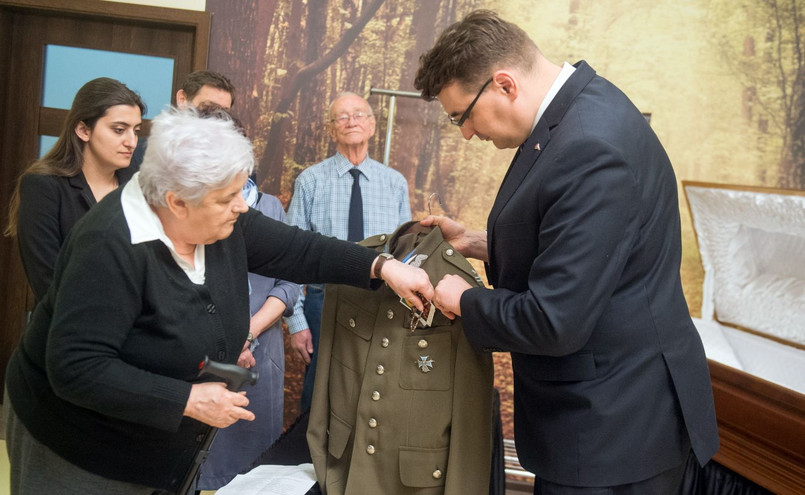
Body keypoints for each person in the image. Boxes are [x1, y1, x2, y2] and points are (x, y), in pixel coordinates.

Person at [4, 106, 433, 495]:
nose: (241, 207)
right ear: (176, 202)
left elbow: (298, 248)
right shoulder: (108, 245)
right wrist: (186, 400)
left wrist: (381, 267)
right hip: (82, 448)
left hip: (161, 448)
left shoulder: (220, 218)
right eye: (228, 198)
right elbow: (77, 367)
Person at [414, 10, 719, 494]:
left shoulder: (590, 147)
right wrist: (479, 243)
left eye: (461, 116)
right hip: (605, 413)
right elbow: (588, 251)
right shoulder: (576, 110)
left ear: (504, 85)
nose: (466, 132)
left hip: (613, 429)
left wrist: (464, 301)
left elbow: (555, 320)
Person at [286, 92, 411, 412]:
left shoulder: (394, 184)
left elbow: (406, 255)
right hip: (324, 301)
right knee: (319, 394)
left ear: (372, 126)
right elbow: (290, 256)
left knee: (375, 392)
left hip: (380, 301)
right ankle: (311, 446)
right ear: (331, 129)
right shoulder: (310, 181)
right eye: (342, 117)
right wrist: (297, 322)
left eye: (359, 115)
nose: (351, 121)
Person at [197, 174, 301, 490]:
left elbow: (289, 282)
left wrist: (248, 334)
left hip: (261, 357)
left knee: (254, 473)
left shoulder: (270, 207)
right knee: (199, 464)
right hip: (205, 353)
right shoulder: (194, 204)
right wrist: (229, 340)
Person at [4, 77, 144, 303]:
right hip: (71, 319)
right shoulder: (42, 187)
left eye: (136, 131)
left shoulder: (139, 184)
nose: (132, 142)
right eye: (119, 130)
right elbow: (47, 283)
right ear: (83, 130)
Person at [129, 69, 234, 168]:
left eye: (223, 112)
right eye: (207, 107)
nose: (215, 117)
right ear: (182, 100)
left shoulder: (231, 161)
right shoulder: (138, 154)